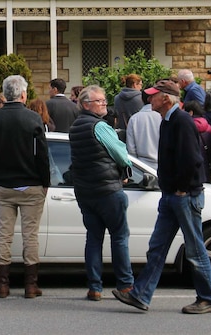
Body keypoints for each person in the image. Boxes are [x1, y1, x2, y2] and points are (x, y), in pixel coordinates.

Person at [113, 79, 211, 314]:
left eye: (153, 96)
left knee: (194, 249)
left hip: (184, 195)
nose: (149, 99)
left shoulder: (181, 121)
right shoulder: (168, 121)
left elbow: (192, 159)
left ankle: (209, 298)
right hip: (172, 195)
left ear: (167, 99)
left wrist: (181, 187)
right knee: (157, 247)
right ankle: (141, 295)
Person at [0, 75, 49, 299]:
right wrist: (45, 182)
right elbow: (42, 154)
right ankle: (31, 286)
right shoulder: (33, 118)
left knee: (4, 234)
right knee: (31, 235)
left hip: (4, 184)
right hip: (31, 183)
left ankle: (2, 285)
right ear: (23, 94)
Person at [69, 85, 134, 301]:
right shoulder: (100, 126)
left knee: (94, 239)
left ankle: (95, 287)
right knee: (119, 237)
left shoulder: (75, 126)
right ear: (86, 104)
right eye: (99, 101)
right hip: (108, 190)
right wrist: (126, 169)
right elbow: (121, 154)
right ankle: (125, 285)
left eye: (104, 101)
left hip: (86, 191)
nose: (104, 104)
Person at [125, 91, 161, 171]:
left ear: (142, 99)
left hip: (142, 167)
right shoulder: (163, 116)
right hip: (164, 165)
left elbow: (131, 149)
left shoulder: (134, 119)